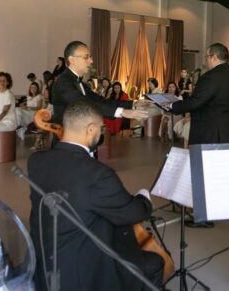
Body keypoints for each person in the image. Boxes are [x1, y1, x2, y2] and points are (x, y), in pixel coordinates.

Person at [28, 99, 164, 291]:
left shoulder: (36, 161)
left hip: (45, 263)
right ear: (90, 129)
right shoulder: (97, 174)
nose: (102, 132)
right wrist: (144, 197)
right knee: (154, 262)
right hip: (82, 272)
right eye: (101, 128)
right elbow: (133, 213)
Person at [51, 41, 146, 128]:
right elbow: (83, 105)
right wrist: (122, 112)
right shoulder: (64, 82)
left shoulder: (79, 83)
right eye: (86, 57)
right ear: (72, 60)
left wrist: (133, 103)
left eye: (90, 57)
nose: (91, 61)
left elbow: (101, 101)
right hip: (68, 142)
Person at [169, 43, 229, 145]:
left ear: (214, 57)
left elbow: (195, 102)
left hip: (212, 134)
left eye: (206, 57)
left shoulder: (209, 77)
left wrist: (172, 105)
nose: (205, 60)